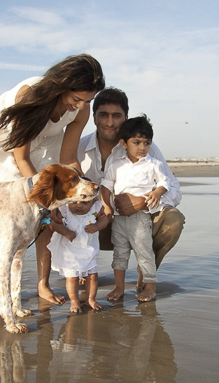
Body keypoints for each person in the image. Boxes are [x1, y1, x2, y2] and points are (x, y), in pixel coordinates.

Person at [0, 54, 105, 307]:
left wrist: (75, 190)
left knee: (44, 221)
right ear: (61, 85)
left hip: (47, 145)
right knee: (10, 220)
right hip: (12, 145)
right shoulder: (31, 95)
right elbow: (21, 158)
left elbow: (69, 159)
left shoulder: (81, 108)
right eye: (76, 98)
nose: (81, 106)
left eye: (87, 101)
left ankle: (42, 284)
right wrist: (44, 200)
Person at [77, 87, 184, 295]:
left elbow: (174, 189)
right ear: (94, 118)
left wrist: (142, 202)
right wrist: (105, 208)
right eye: (104, 115)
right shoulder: (79, 148)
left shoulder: (145, 148)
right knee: (56, 215)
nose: (110, 122)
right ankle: (80, 269)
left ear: (126, 117)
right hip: (96, 225)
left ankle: (147, 270)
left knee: (174, 220)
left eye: (116, 116)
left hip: (139, 223)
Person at [100, 115, 171, 302]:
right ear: (124, 143)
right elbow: (106, 186)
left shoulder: (153, 164)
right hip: (119, 219)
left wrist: (157, 193)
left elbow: (165, 182)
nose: (142, 147)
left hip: (141, 217)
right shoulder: (116, 165)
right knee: (120, 253)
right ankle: (119, 287)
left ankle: (150, 287)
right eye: (136, 142)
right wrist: (107, 207)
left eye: (147, 143)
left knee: (144, 252)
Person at [47, 198, 109, 313]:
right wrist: (65, 232)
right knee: (72, 278)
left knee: (93, 276)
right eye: (74, 202)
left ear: (93, 201)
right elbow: (54, 224)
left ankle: (90, 299)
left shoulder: (96, 208)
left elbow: (104, 219)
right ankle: (74, 300)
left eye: (85, 203)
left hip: (88, 250)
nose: (79, 206)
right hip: (70, 252)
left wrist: (97, 227)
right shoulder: (65, 210)